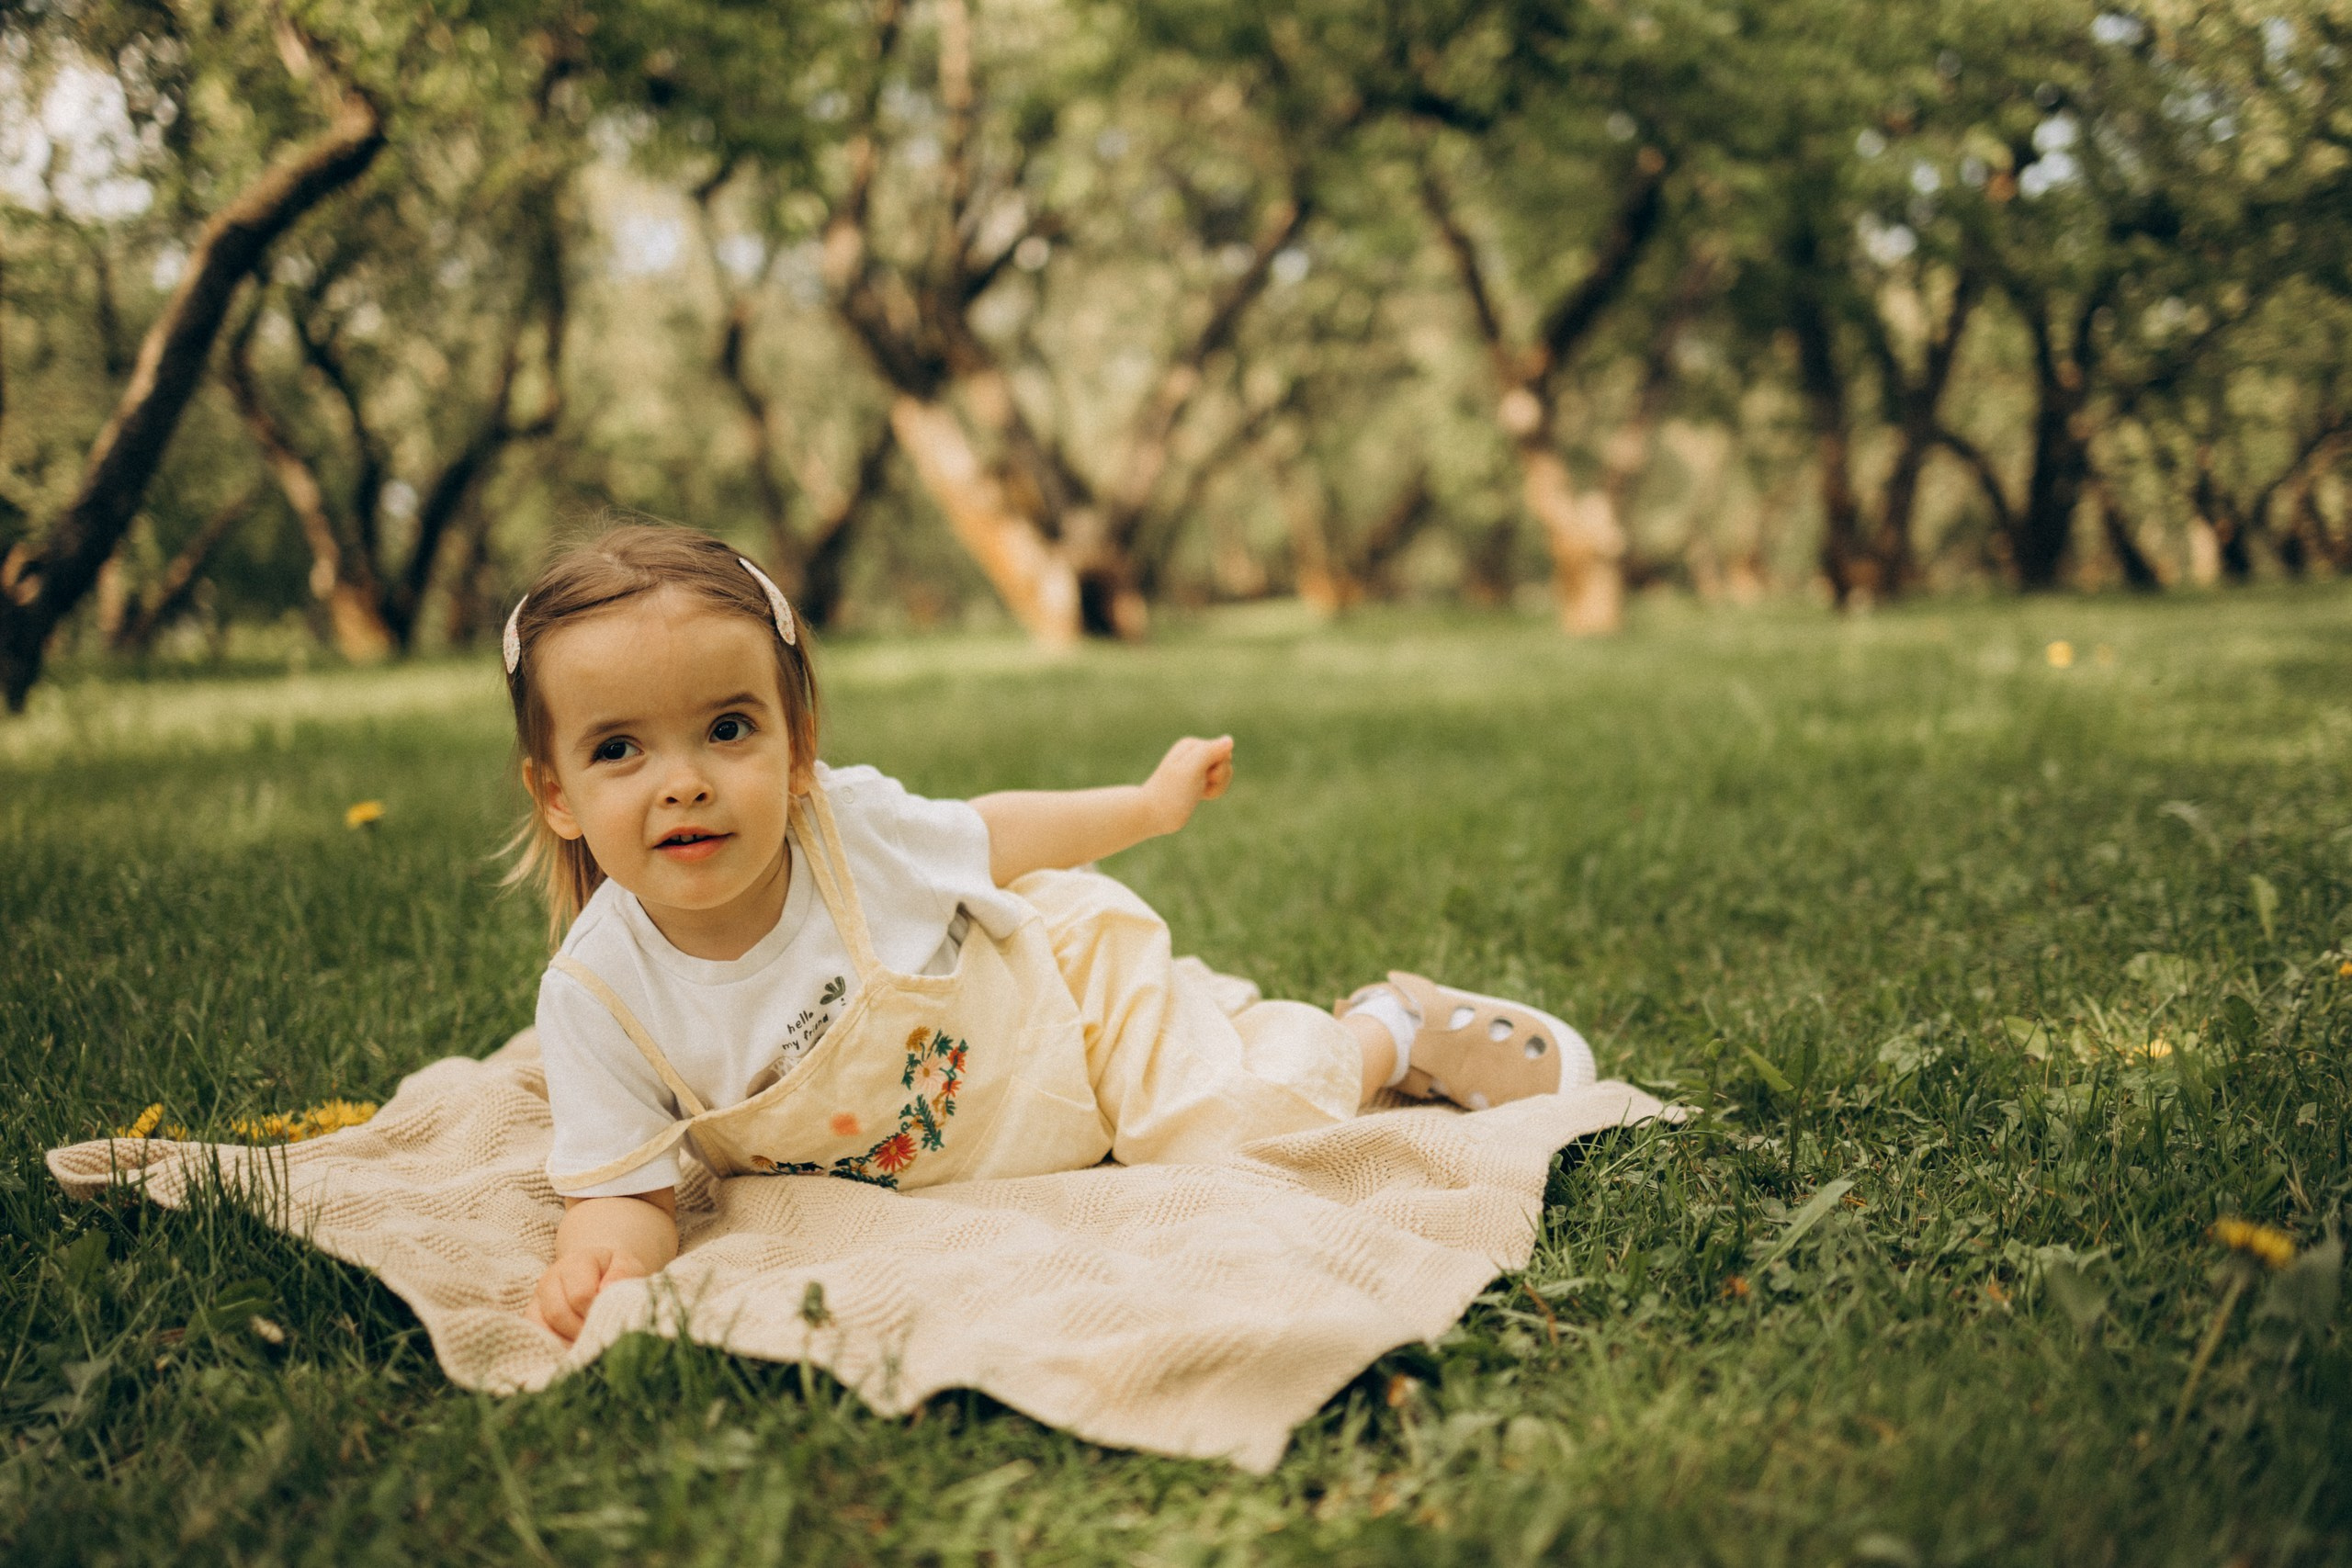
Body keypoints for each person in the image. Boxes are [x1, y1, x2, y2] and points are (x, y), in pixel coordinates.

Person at [503, 524, 1597, 1342]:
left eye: (727, 729)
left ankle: (1391, 1030)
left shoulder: (848, 833)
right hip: (1005, 1136)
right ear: (556, 792)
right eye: (619, 751)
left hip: (1066, 993)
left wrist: (1146, 805)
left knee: (1221, 1137)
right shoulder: (599, 997)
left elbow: (996, 836)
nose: (683, 783)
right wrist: (606, 1271)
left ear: (795, 750)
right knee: (1164, 1121)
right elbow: (623, 1198)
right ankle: (1225, 1025)